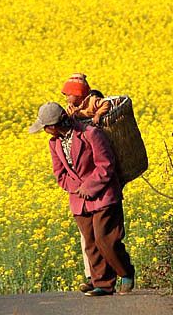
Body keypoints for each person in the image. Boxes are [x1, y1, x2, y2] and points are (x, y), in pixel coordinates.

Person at [28, 102, 134, 297]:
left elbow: (106, 165)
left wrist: (89, 186)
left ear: (54, 124)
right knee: (91, 242)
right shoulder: (55, 143)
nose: (44, 130)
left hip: (103, 195)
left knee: (105, 238)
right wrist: (77, 189)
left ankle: (126, 272)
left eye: (45, 126)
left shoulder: (91, 134)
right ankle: (102, 284)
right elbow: (60, 174)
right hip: (79, 200)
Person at [61, 73, 113, 290]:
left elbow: (108, 105)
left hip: (95, 171)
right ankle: (93, 277)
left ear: (77, 94)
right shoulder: (71, 112)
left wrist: (95, 119)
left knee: (102, 238)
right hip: (82, 185)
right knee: (88, 239)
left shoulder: (92, 101)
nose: (66, 100)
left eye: (68, 95)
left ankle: (106, 277)